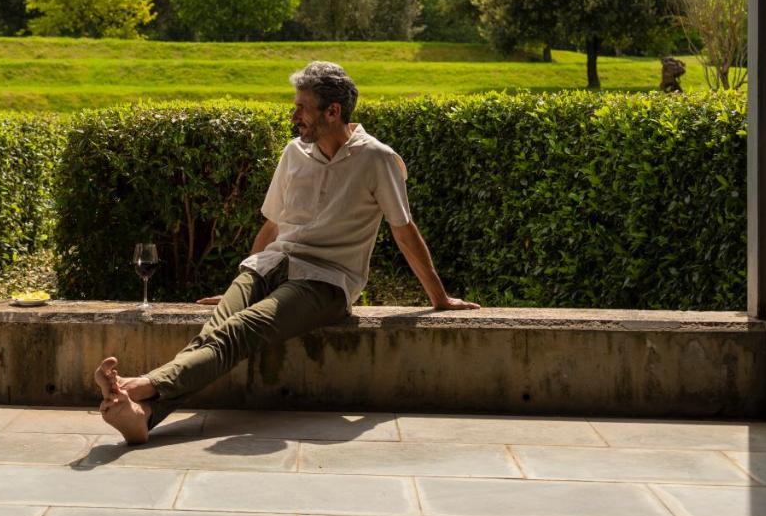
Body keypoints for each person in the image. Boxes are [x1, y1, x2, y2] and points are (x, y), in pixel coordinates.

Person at [94, 61, 480, 442]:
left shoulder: (377, 159)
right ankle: (143, 416)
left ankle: (138, 385)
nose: (294, 115)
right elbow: (273, 225)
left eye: (302, 107)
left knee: (238, 330)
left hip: (325, 281)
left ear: (333, 111)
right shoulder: (294, 153)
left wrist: (438, 298)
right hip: (269, 266)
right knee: (216, 329)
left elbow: (404, 230)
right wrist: (238, 283)